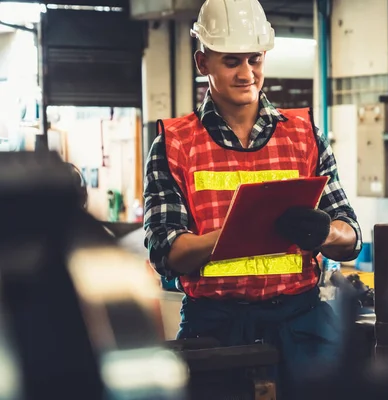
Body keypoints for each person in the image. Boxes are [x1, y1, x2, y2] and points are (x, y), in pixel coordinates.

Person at [143, 0, 362, 393]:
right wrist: (232, 237)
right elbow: (164, 251)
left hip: (302, 327)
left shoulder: (304, 137)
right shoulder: (174, 145)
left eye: (255, 59)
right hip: (216, 332)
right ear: (202, 63)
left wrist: (324, 232)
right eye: (231, 61)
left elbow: (351, 237)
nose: (247, 74)